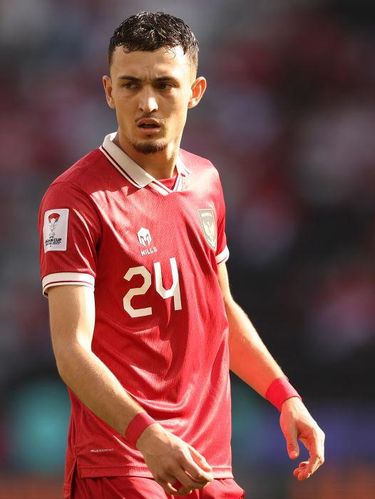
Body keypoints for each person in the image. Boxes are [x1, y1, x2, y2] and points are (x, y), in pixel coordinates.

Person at [38, 11, 325, 499]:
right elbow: (71, 350)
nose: (147, 102)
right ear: (109, 92)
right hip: (122, 463)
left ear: (195, 91)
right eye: (130, 85)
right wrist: (146, 436)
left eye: (165, 84)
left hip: (206, 462)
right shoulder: (75, 199)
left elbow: (221, 311)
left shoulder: (207, 183)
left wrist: (285, 397)